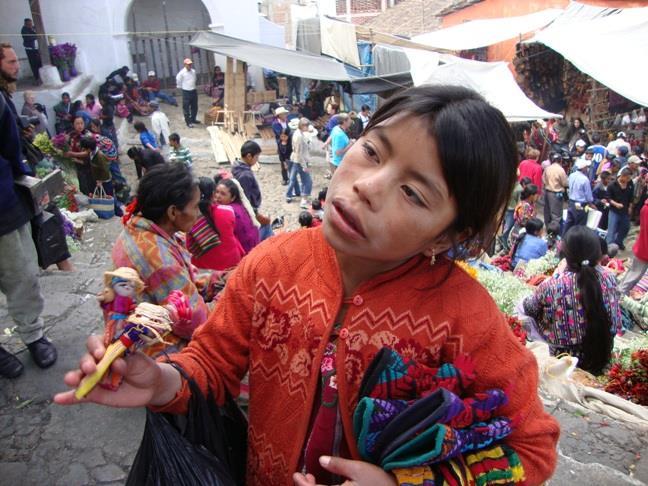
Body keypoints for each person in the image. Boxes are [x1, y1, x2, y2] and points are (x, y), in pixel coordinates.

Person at [56, 85, 560, 486]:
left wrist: (407, 482)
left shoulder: (465, 317)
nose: (367, 185)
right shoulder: (275, 261)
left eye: (412, 192)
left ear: (451, 233)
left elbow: (531, 447)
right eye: (371, 151)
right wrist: (163, 381)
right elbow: (211, 362)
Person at [111, 163, 221, 352]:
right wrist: (225, 296)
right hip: (152, 351)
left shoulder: (139, 227)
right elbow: (196, 322)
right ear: (172, 212)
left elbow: (179, 282)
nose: (198, 213)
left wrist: (215, 280)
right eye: (195, 207)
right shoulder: (159, 258)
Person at [0, 42, 57, 378]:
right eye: (8, 61)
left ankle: (33, 335)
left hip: (4, 207)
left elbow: (9, 145)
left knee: (21, 275)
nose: (15, 66)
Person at [522, 226, 621, 374]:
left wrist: (557, 275)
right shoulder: (610, 278)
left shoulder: (554, 284)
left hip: (563, 361)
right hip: (602, 356)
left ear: (566, 254)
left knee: (524, 311)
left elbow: (529, 308)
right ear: (597, 253)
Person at [186, 177, 245, 271]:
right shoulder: (227, 211)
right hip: (232, 262)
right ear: (213, 194)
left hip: (205, 268)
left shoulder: (190, 216)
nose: (218, 196)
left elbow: (189, 246)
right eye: (217, 192)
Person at [231, 141, 273, 241]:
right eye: (257, 157)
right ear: (249, 156)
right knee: (266, 230)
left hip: (247, 211)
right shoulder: (245, 175)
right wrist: (258, 216)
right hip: (249, 212)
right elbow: (246, 200)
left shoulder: (237, 165)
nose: (257, 160)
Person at [214, 177, 260, 253]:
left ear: (232, 198)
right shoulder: (239, 207)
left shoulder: (229, 212)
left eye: (223, 194)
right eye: (217, 192)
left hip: (245, 252)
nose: (218, 196)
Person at [79, 136, 122, 217]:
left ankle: (119, 213)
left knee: (110, 197)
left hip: (105, 181)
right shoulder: (93, 153)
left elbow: (105, 169)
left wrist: (100, 181)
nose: (83, 150)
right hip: (100, 180)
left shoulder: (99, 156)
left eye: (84, 148)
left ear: (88, 148)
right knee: (106, 196)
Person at [619, 198, 648, 294]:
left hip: (642, 247)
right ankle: (620, 295)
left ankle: (620, 293)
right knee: (634, 275)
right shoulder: (646, 209)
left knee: (633, 273)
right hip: (644, 249)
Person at [64, 115, 95, 195]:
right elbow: (68, 147)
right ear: (73, 125)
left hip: (88, 165)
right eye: (77, 123)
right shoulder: (71, 135)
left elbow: (87, 153)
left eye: (81, 123)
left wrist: (72, 154)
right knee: (82, 186)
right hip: (76, 164)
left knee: (89, 185)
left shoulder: (88, 135)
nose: (80, 126)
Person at [563, 158, 594, 236]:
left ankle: (564, 239)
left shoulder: (571, 175)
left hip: (571, 202)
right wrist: (591, 203)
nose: (587, 168)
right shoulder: (584, 179)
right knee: (579, 225)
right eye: (586, 167)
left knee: (569, 222)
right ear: (583, 168)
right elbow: (588, 196)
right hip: (581, 204)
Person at [288, 117, 314, 210]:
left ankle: (304, 198)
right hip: (300, 161)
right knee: (308, 181)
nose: (308, 127)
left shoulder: (298, 133)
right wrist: (304, 166)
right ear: (303, 126)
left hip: (299, 160)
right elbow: (299, 152)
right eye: (307, 126)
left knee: (304, 180)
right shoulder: (298, 136)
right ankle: (304, 200)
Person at [606, 167, 634, 249]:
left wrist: (630, 207)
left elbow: (631, 197)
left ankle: (619, 241)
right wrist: (616, 204)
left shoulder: (630, 184)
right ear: (623, 176)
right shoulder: (612, 185)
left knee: (626, 227)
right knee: (612, 230)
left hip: (625, 211)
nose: (628, 180)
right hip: (614, 211)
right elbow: (608, 198)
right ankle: (609, 248)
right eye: (627, 178)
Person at [500, 177, 530, 250]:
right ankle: (504, 246)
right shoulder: (517, 188)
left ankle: (504, 246)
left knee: (506, 229)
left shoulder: (516, 187)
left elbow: (519, 203)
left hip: (509, 210)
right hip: (509, 210)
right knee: (505, 229)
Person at [543, 152, 568, 228]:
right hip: (556, 193)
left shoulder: (548, 168)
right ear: (560, 160)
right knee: (556, 215)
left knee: (547, 212)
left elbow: (543, 179)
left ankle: (548, 228)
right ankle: (554, 231)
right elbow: (565, 183)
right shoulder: (561, 170)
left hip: (547, 192)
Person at [176, 58, 199, 128]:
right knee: (186, 108)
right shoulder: (181, 73)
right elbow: (178, 81)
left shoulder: (193, 71)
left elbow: (195, 79)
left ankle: (193, 119)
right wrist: (182, 87)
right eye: (188, 64)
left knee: (194, 106)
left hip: (193, 90)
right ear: (185, 65)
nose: (189, 65)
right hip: (186, 91)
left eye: (190, 64)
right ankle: (188, 122)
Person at [272, 107, 291, 184]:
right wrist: (286, 132)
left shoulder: (287, 121)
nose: (285, 115)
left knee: (290, 159)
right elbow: (280, 133)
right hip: (281, 143)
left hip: (289, 141)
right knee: (282, 160)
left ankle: (291, 177)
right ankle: (285, 178)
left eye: (285, 114)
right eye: (283, 114)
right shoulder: (275, 124)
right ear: (279, 115)